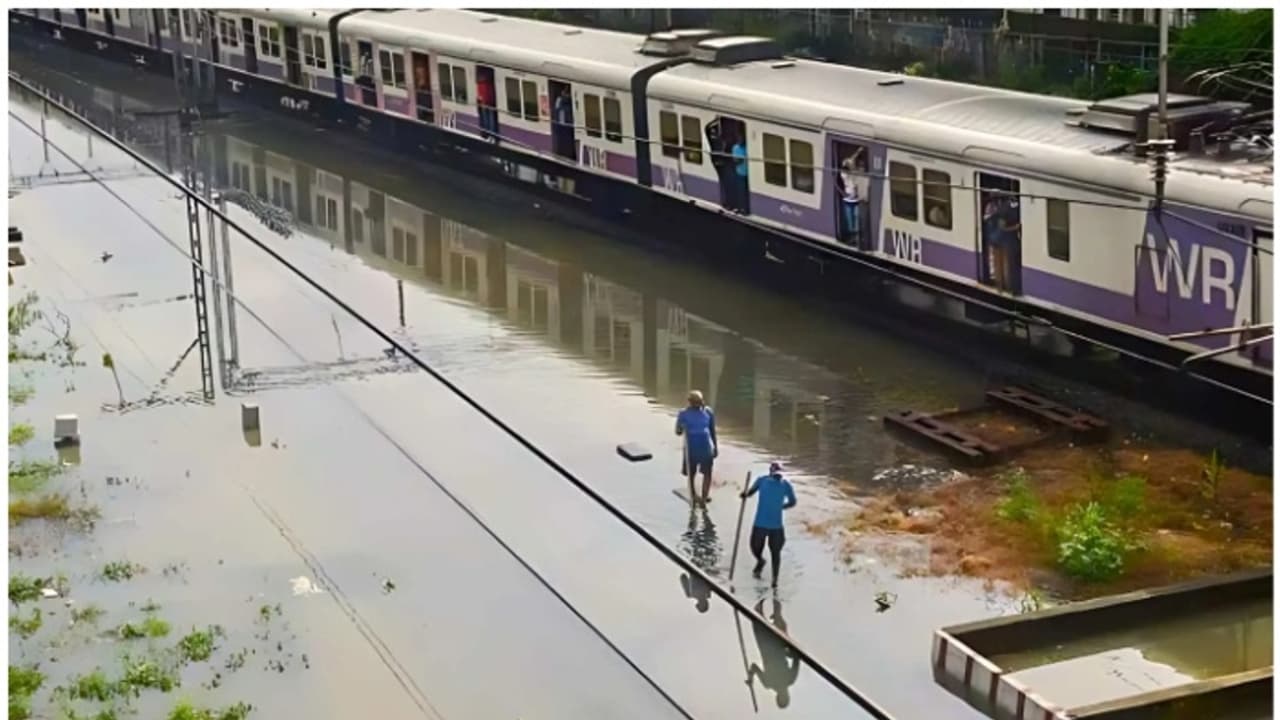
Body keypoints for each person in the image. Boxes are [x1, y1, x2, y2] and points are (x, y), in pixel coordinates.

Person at [740, 461, 795, 588]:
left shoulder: (786, 485)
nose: (778, 476)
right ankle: (760, 561)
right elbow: (751, 492)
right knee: (755, 548)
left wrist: (781, 507)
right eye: (776, 474)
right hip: (760, 523)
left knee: (776, 553)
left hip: (776, 526)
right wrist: (745, 494)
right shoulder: (762, 481)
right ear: (770, 472)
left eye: (779, 474)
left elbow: (792, 501)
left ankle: (775, 579)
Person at [747, 597, 799, 709]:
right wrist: (751, 677)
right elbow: (797, 657)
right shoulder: (772, 682)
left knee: (759, 615)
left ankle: (771, 598)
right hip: (774, 645)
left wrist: (751, 677)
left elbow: (796, 658)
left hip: (769, 645)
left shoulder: (771, 683)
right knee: (772, 616)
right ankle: (774, 597)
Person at [675, 390, 717, 507]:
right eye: (695, 402)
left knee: (707, 472)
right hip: (691, 448)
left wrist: (715, 447)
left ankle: (704, 497)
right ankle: (694, 495)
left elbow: (712, 431)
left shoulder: (708, 412)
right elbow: (678, 431)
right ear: (690, 402)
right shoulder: (683, 414)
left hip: (705, 447)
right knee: (692, 472)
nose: (697, 404)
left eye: (698, 402)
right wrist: (681, 427)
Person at [836, 155, 861, 244]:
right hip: (849, 198)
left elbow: (851, 160)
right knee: (850, 219)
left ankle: (856, 237)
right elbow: (847, 162)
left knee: (856, 217)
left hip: (856, 198)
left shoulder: (854, 174)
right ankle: (852, 236)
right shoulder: (844, 175)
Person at [553, 86, 574, 159]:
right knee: (562, 141)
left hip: (566, 125)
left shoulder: (568, 101)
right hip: (561, 125)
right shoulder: (560, 100)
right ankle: (562, 154)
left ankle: (567, 155)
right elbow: (557, 109)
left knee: (567, 141)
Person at [731, 134, 749, 214]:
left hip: (748, 173)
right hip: (740, 173)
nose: (740, 140)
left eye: (742, 138)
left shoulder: (747, 147)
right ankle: (740, 208)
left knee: (747, 192)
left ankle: (746, 208)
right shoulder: (735, 147)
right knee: (740, 192)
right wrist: (739, 160)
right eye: (739, 138)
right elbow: (735, 160)